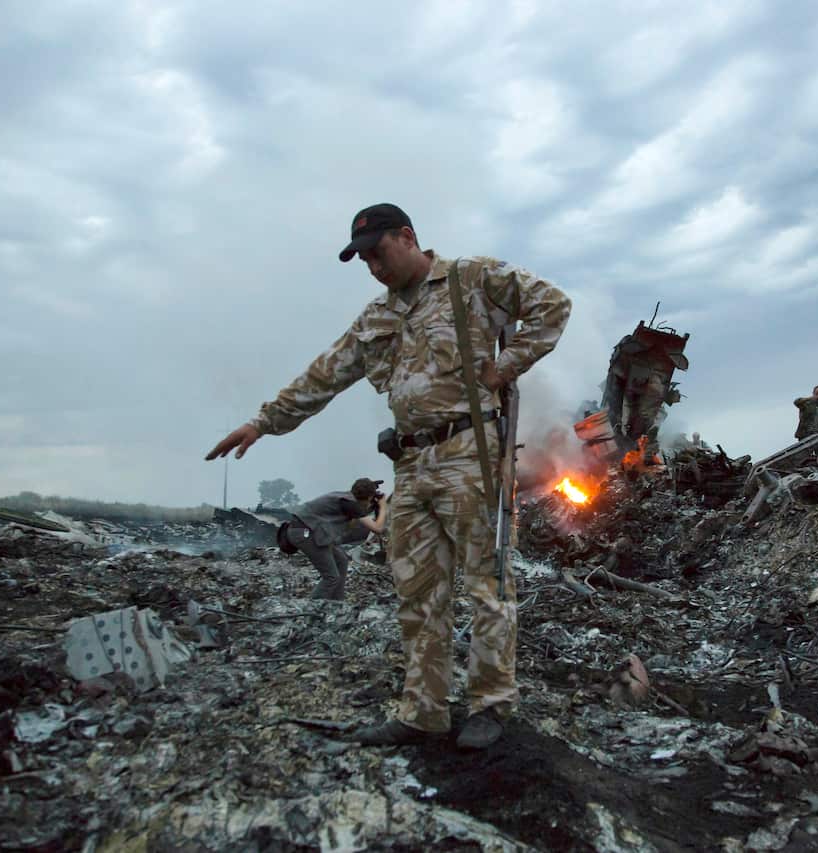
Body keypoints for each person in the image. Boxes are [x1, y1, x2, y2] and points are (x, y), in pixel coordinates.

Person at [206, 203, 571, 750]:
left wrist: (505, 365)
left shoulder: (472, 279)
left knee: (488, 586)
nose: (374, 267)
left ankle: (491, 705)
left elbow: (553, 305)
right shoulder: (376, 317)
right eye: (365, 261)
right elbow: (324, 374)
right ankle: (424, 713)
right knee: (418, 594)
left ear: (407, 237)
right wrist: (263, 422)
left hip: (470, 455)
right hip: (411, 465)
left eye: (378, 253)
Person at [276, 477, 388, 600]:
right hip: (305, 533)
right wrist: (383, 507)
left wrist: (371, 499)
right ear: (369, 497)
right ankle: (312, 608)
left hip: (311, 532)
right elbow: (377, 528)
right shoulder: (350, 504)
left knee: (342, 561)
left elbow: (354, 518)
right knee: (331, 577)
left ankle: (337, 603)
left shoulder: (345, 498)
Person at [793, 385, 818, 463]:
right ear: (813, 393)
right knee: (805, 458)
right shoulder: (806, 404)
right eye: (817, 394)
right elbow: (796, 402)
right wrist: (810, 398)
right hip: (806, 435)